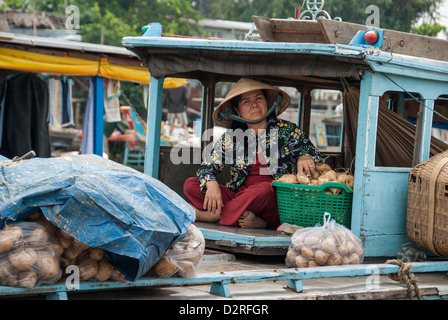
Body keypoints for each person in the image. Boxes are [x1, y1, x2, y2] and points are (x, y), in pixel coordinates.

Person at [183, 78, 324, 230]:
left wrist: (305, 156)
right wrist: (211, 182)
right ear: (237, 110)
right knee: (191, 185)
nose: (254, 105)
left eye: (258, 98)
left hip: (275, 201)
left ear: (267, 103)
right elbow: (207, 167)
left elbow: (316, 158)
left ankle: (213, 216)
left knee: (263, 189)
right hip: (240, 198)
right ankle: (246, 218)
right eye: (246, 102)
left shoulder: (288, 130)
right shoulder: (232, 137)